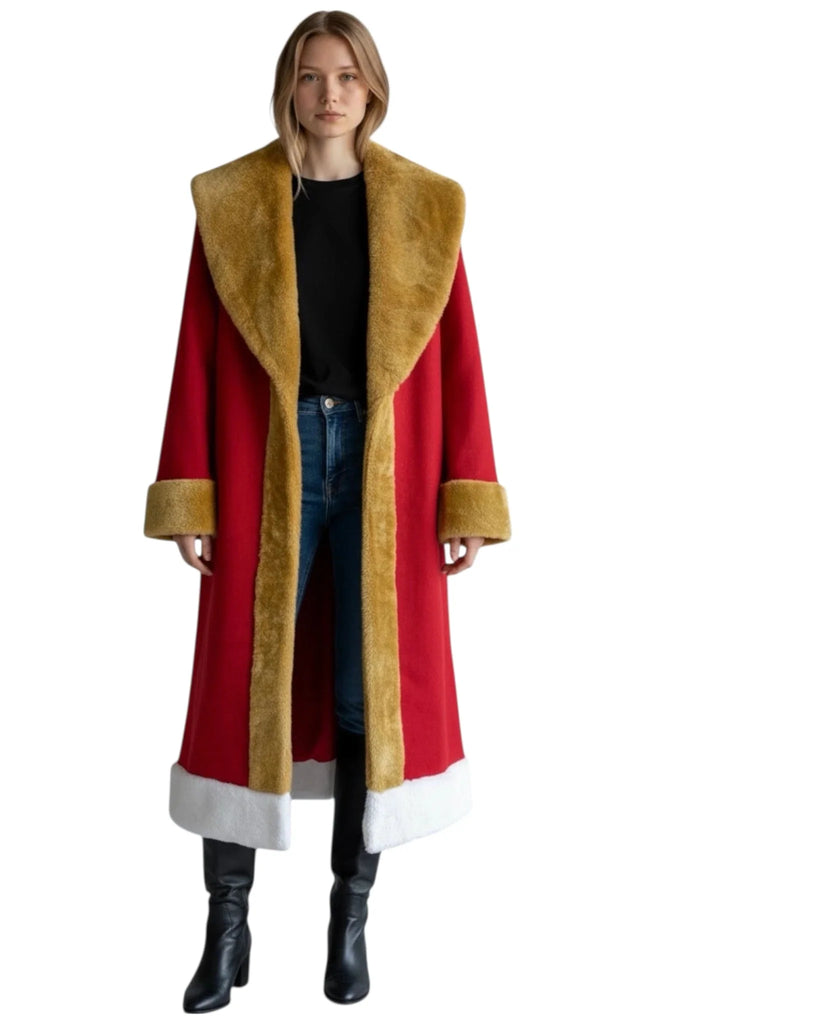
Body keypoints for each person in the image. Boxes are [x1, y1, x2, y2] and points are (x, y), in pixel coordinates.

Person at [143, 10, 511, 1012]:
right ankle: (226, 927)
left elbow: (461, 362)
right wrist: (190, 490)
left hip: (390, 473)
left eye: (347, 75)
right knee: (240, 688)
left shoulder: (428, 207)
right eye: (312, 76)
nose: (330, 93)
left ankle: (350, 919)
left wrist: (465, 495)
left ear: (372, 87)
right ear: (289, 89)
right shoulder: (232, 204)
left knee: (363, 693)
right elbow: (194, 355)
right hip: (268, 462)